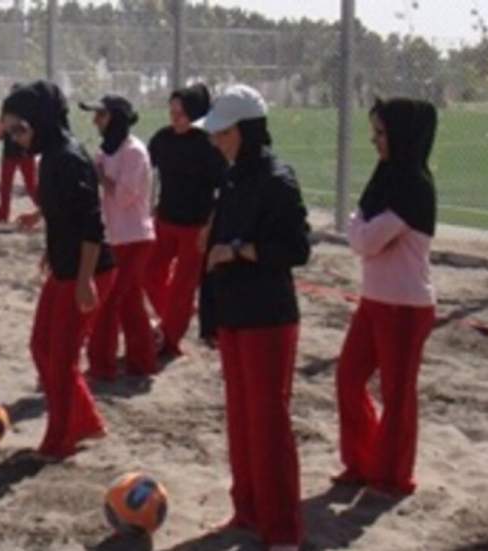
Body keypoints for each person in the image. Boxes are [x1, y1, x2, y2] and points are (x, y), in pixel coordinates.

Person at [199, 84, 311, 550]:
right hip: (234, 314)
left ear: (245, 131)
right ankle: (247, 511)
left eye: (222, 132)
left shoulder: (276, 179)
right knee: (242, 420)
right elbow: (213, 248)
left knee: (268, 423)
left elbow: (297, 249)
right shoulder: (232, 177)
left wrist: (242, 251)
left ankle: (282, 530)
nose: (215, 141)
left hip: (268, 315)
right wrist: (209, 315)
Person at [1, 80, 116, 460]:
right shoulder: (49, 155)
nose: (16, 139)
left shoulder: (66, 157)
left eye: (21, 128)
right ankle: (86, 421)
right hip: (65, 267)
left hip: (87, 271)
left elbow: (92, 224)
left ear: (42, 121)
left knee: (62, 357)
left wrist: (84, 281)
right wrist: (41, 218)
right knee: (41, 347)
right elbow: (64, 207)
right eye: (11, 131)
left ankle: (60, 439)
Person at [335, 98, 438, 497]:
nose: (375, 141)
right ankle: (361, 461)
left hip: (407, 307)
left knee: (397, 394)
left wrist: (357, 224)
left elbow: (364, 239)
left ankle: (392, 475)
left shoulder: (414, 187)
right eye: (374, 132)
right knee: (348, 376)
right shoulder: (384, 179)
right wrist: (358, 225)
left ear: (402, 136)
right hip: (375, 300)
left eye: (381, 133)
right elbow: (362, 231)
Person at [77, 94, 155, 380]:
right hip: (114, 237)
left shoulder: (134, 152)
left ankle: (103, 365)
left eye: (102, 115)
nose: (96, 120)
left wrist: (98, 173)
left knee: (110, 302)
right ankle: (142, 361)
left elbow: (124, 196)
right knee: (130, 302)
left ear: (116, 119)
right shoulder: (106, 150)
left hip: (135, 238)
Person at [145, 83, 224, 358]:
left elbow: (224, 189)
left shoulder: (210, 144)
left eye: (181, 114)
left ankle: (170, 339)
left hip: (195, 227)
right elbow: (145, 169)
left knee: (183, 285)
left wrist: (210, 226)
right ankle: (174, 316)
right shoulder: (163, 138)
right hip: (165, 219)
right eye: (172, 113)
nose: (175, 119)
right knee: (149, 272)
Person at [0, 84, 39, 224]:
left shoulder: (28, 113)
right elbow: (0, 134)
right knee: (5, 187)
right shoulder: (7, 111)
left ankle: (44, 211)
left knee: (32, 186)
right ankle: (2, 216)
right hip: (9, 154)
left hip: (25, 154)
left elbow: (27, 133)